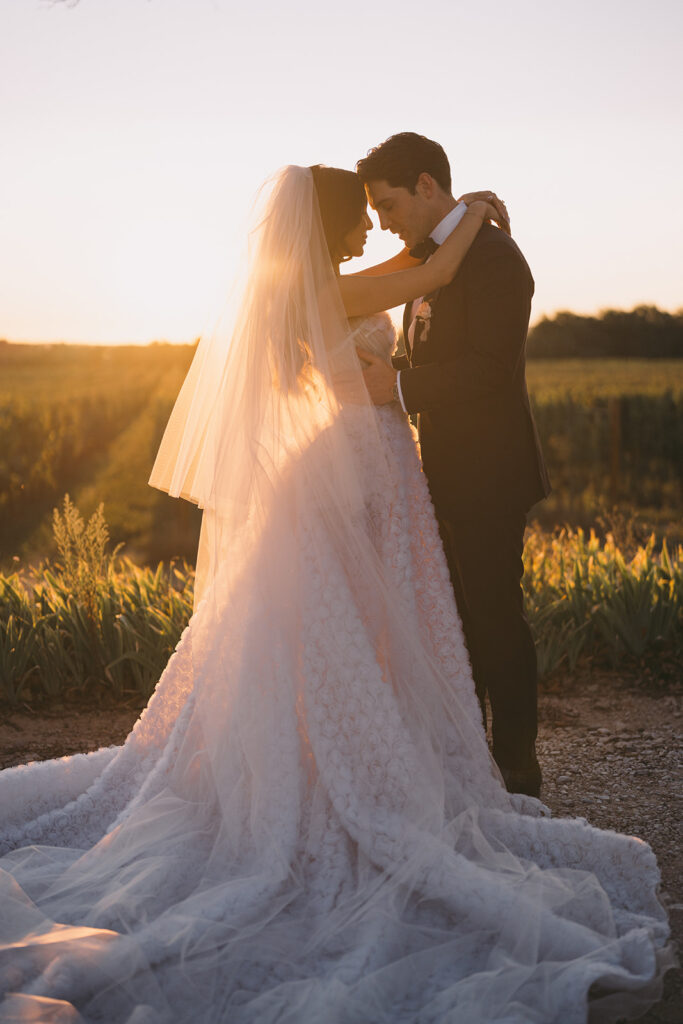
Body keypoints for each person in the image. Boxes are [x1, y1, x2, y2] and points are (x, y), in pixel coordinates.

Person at [0, 165, 672, 1024]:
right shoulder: (324, 286)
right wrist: (474, 213)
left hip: (364, 460)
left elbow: (418, 286)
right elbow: (427, 276)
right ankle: (340, 763)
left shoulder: (310, 286)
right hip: (354, 458)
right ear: (321, 229)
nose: (367, 228)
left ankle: (355, 743)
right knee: (347, 627)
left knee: (354, 627)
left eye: (375, 211)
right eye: (355, 217)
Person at [356, 132, 550, 799]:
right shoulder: (432, 257)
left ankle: (518, 768)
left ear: (425, 186)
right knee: (457, 617)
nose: (382, 220)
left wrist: (400, 389)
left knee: (493, 613)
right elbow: (429, 346)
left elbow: (491, 368)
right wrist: (392, 374)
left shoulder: (494, 257)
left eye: (387, 203)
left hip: (490, 470)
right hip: (438, 467)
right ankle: (472, 761)